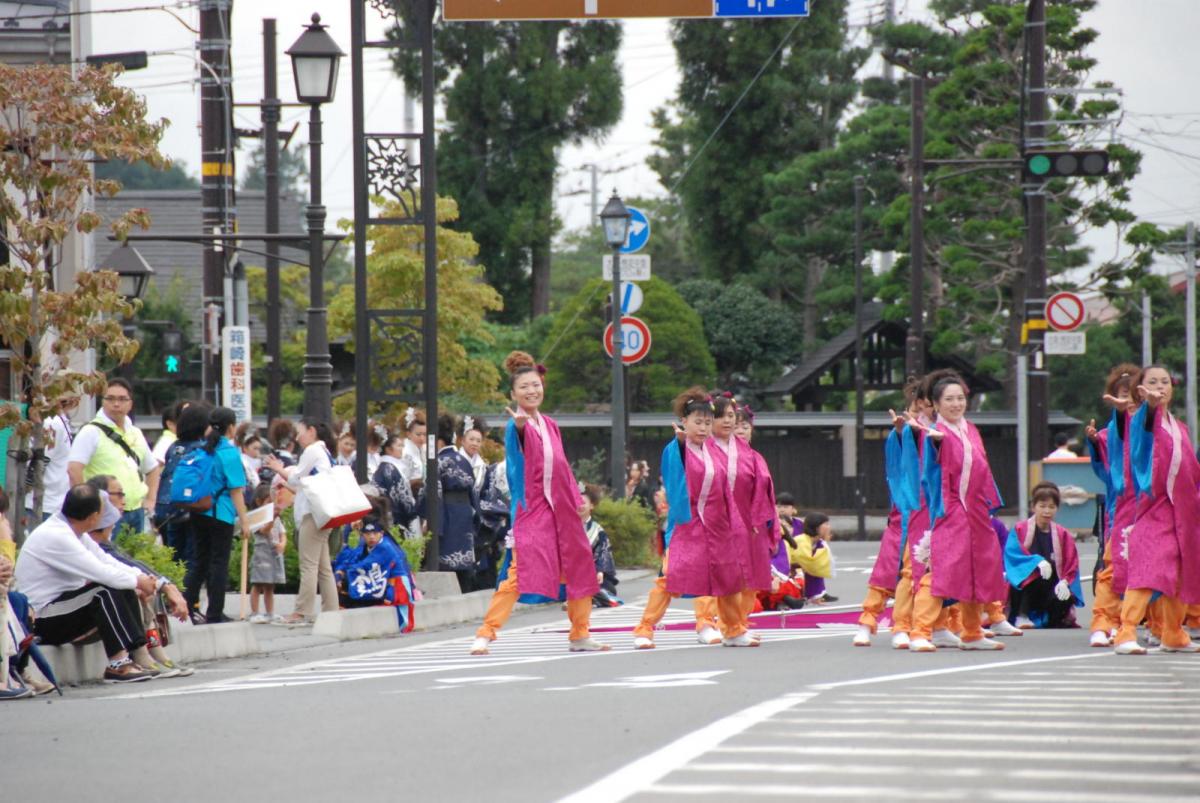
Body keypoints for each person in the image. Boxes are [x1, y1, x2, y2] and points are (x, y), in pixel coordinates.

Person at [470, 351, 607, 655]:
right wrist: (520, 427)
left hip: (563, 511)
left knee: (580, 569)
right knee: (519, 572)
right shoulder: (515, 424)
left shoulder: (550, 424)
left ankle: (580, 633)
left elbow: (562, 467)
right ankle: (486, 633)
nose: (531, 391)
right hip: (533, 509)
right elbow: (520, 450)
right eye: (524, 387)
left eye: (535, 385)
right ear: (513, 394)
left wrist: (576, 500)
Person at [14, 484, 180, 682]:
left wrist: (146, 581)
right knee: (102, 592)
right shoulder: (57, 536)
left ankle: (137, 654)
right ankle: (118, 664)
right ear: (93, 516)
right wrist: (138, 580)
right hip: (41, 617)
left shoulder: (75, 533)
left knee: (123, 587)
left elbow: (108, 562)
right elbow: (101, 572)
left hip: (62, 607)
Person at [632, 386, 754, 650]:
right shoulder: (676, 448)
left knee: (728, 578)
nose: (703, 428)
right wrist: (680, 444)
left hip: (718, 526)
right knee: (671, 578)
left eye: (708, 423)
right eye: (697, 422)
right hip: (688, 525)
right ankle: (645, 628)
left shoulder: (713, 449)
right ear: (684, 422)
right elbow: (675, 479)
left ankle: (733, 629)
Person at [907, 374, 1007, 652]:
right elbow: (931, 472)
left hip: (975, 509)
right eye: (949, 399)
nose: (956, 403)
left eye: (960, 398)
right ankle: (920, 631)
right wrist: (935, 444)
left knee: (977, 569)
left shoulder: (970, 429)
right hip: (950, 508)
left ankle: (972, 631)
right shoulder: (935, 433)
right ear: (936, 405)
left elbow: (982, 469)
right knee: (942, 569)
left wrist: (987, 504)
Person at [1113, 365, 1200, 655]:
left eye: (1164, 382)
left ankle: (1173, 633)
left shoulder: (1180, 427)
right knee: (1149, 569)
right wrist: (1150, 406)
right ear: (1141, 388)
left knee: (1177, 573)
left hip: (1183, 512)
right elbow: (1141, 444)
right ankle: (1125, 631)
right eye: (1152, 382)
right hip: (1156, 508)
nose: (1160, 386)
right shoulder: (1142, 420)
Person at [83, 478, 194, 677]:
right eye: (118, 494)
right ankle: (141, 653)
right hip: (73, 612)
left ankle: (154, 652)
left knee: (144, 584)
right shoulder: (90, 540)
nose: (124, 500)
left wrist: (160, 583)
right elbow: (114, 570)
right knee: (134, 588)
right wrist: (156, 585)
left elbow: (128, 566)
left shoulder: (101, 541)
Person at [853, 385, 923, 647]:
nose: (920, 414)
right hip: (904, 514)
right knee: (886, 570)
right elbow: (896, 469)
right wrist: (900, 432)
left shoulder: (940, 435)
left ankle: (917, 625)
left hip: (932, 517)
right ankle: (867, 621)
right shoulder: (903, 435)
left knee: (921, 575)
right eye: (915, 409)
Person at [1084, 363, 1140, 647]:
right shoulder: (1113, 430)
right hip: (1122, 510)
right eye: (1122, 393)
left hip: (1153, 509)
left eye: (1132, 393)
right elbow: (1106, 467)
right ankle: (1104, 622)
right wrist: (1094, 443)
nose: (1128, 399)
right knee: (1113, 566)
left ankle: (1146, 624)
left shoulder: (1157, 423)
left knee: (1150, 569)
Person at [264, 416, 339, 624]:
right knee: (323, 567)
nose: (297, 437)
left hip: (313, 515)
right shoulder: (324, 452)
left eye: (300, 431)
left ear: (312, 431)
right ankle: (331, 610)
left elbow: (297, 478)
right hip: (323, 513)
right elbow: (303, 486)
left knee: (309, 565)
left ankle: (302, 611)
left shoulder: (313, 451)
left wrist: (279, 470)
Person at [182, 407, 252, 625]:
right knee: (218, 563)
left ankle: (186, 607)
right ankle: (214, 612)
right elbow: (236, 490)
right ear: (231, 427)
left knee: (199, 561)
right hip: (220, 514)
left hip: (198, 512)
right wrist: (246, 521)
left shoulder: (203, 450)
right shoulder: (229, 453)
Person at [67, 378, 161, 533]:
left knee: (134, 556)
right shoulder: (91, 432)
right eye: (110, 399)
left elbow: (152, 468)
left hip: (136, 511)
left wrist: (151, 500)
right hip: (105, 511)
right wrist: (88, 505)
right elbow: (73, 469)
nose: (116, 404)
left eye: (122, 399)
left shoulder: (135, 432)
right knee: (106, 555)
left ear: (130, 404)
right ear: (102, 402)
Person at [1003, 481, 1084, 629]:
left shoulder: (1062, 534)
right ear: (1033, 507)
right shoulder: (1020, 529)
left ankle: (1052, 618)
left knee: (1064, 595)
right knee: (1031, 574)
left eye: (1051, 507)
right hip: (1027, 586)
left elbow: (1071, 563)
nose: (1047, 511)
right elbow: (1013, 557)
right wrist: (1035, 562)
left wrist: (1065, 581)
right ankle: (1022, 615)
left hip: (1051, 584)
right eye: (1042, 506)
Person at [432, 413, 482, 591]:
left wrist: (431, 520)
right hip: (465, 512)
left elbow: (432, 492)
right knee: (464, 557)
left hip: (447, 512)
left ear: (438, 441)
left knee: (447, 555)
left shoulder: (438, 462)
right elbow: (473, 491)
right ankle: (466, 588)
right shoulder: (463, 461)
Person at [26, 392, 78, 523]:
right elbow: (41, 461)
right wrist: (28, 489)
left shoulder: (62, 420)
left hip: (54, 502)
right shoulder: (52, 423)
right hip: (43, 504)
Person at [248, 482, 287, 624]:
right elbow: (263, 531)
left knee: (270, 585)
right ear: (259, 502)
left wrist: (282, 544)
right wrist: (273, 518)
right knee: (258, 583)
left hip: (274, 553)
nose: (272, 505)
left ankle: (270, 612)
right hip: (262, 553)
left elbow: (283, 533)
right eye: (268, 501)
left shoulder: (276, 518)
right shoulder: (257, 518)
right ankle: (254, 612)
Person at [580, 484, 621, 607]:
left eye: (583, 502)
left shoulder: (598, 531)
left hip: (592, 573)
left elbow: (603, 553)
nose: (579, 505)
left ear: (592, 505)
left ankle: (592, 596)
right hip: (570, 574)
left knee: (607, 588)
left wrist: (600, 571)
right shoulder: (566, 528)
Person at [373, 434, 419, 536]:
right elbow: (403, 497)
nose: (402, 449)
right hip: (396, 517)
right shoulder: (390, 469)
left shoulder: (383, 468)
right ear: (389, 449)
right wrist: (412, 512)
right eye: (399, 446)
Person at [789, 513, 837, 603]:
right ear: (816, 527)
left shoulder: (817, 541)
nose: (829, 527)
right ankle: (813, 596)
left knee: (816, 567)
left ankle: (816, 595)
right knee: (814, 567)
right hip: (789, 569)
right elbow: (807, 562)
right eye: (826, 524)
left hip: (797, 567)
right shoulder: (802, 540)